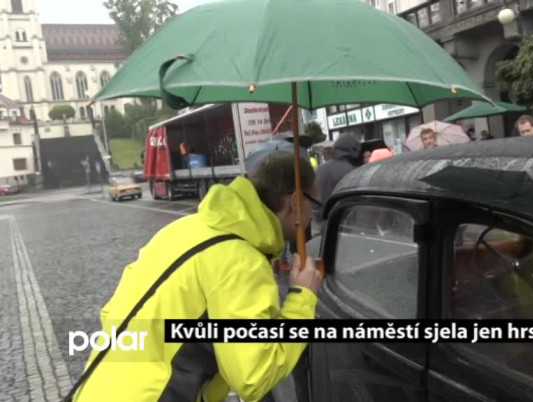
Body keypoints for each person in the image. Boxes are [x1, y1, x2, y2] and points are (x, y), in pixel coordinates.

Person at [72, 153, 324, 402]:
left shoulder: (183, 229)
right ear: (295, 202)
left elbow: (113, 312)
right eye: (313, 204)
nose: (312, 215)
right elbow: (254, 377)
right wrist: (301, 299)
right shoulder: (241, 261)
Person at [316, 134, 361, 206]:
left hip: (321, 211)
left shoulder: (320, 169)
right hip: (341, 211)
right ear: (354, 150)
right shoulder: (352, 172)